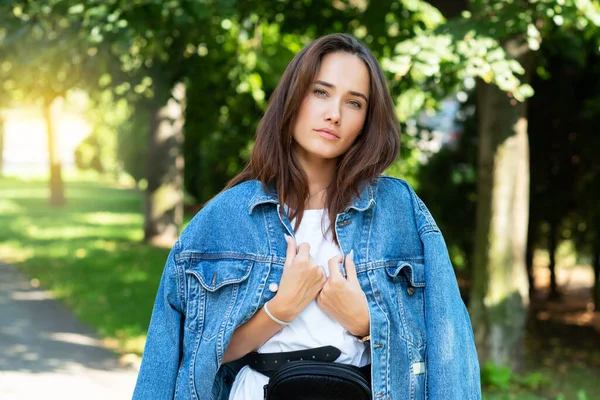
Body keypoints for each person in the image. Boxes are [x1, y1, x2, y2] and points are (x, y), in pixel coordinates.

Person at [133, 33, 481, 400]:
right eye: (320, 92)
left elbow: (449, 352)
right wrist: (279, 309)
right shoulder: (224, 218)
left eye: (354, 102)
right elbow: (187, 355)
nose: (334, 113)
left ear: (367, 119)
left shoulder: (401, 212)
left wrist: (366, 324)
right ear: (293, 96)